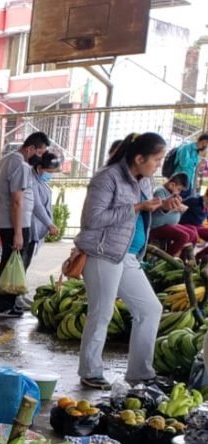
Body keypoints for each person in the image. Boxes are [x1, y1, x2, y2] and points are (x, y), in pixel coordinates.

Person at [76, 133, 182, 391]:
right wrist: (136, 207)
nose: (158, 165)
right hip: (102, 253)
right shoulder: (107, 178)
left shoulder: (144, 180)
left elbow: (145, 216)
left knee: (150, 309)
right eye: (156, 159)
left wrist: (163, 207)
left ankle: (140, 373)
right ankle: (90, 371)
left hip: (129, 256)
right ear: (139, 158)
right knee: (102, 313)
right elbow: (93, 219)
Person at [0, 132, 51, 317]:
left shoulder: (7, 159)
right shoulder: (20, 164)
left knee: (10, 261)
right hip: (14, 224)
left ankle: (8, 302)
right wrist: (18, 232)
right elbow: (17, 200)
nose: (40, 158)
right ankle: (3, 305)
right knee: (11, 262)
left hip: (7, 221)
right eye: (39, 153)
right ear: (30, 148)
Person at [150, 173, 201, 254]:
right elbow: (160, 207)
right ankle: (166, 258)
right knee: (183, 236)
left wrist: (180, 209)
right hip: (157, 226)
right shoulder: (160, 191)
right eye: (179, 189)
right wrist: (177, 208)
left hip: (169, 225)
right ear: (172, 185)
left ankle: (185, 258)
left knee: (192, 233)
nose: (179, 192)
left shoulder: (171, 193)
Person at [27, 152, 61, 264]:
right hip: (31, 227)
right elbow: (37, 205)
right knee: (23, 261)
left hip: (36, 227)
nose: (50, 175)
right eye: (49, 172)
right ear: (39, 168)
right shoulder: (32, 180)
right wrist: (49, 224)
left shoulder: (39, 180)